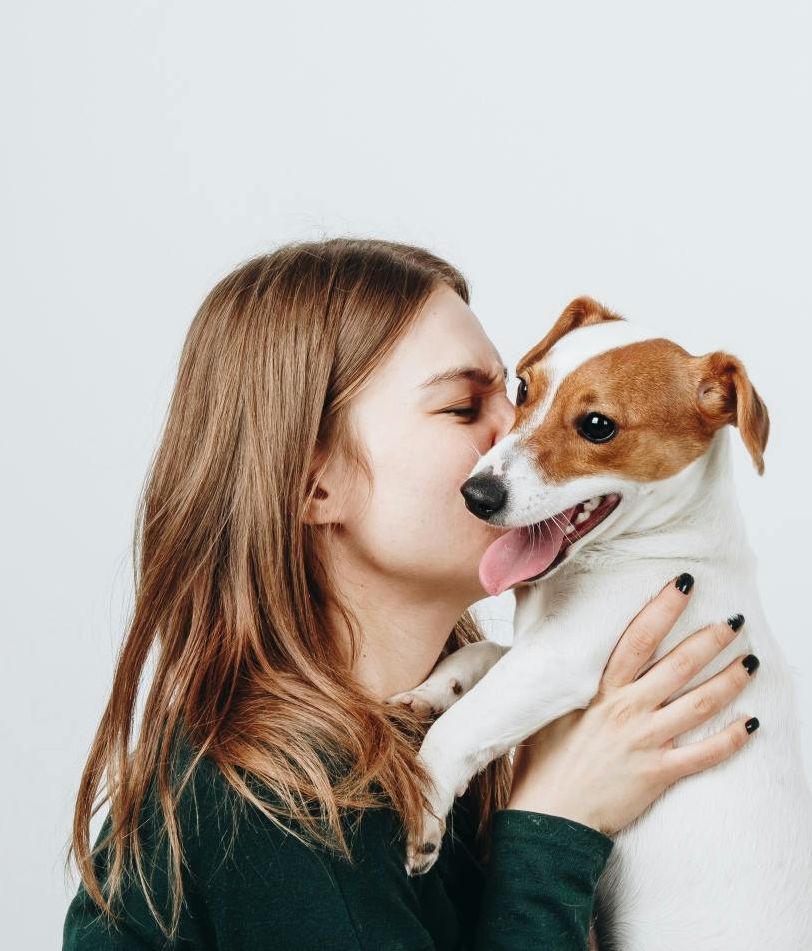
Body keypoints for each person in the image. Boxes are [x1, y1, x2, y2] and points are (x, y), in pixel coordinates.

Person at [61, 239, 760, 949]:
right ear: (316, 484)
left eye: (512, 392)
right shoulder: (271, 803)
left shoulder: (426, 755)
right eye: (463, 407)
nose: (514, 437)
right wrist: (557, 828)